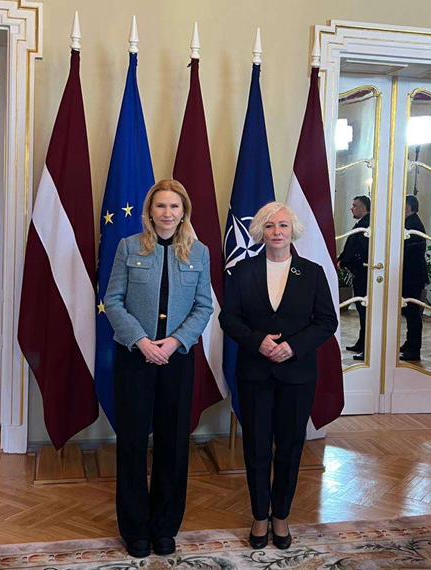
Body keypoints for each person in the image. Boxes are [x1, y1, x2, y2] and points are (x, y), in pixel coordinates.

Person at [104, 179, 213, 559]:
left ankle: (165, 527)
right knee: (133, 442)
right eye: (161, 206)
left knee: (173, 442)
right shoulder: (129, 247)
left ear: (184, 213)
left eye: (174, 206)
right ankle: (135, 529)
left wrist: (175, 342)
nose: (167, 213)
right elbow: (113, 300)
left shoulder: (199, 252)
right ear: (150, 211)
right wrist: (141, 341)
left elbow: (204, 306)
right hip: (135, 357)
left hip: (176, 358)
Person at [219, 202, 338, 550]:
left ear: (293, 231)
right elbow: (228, 319)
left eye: (283, 225)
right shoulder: (242, 271)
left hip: (297, 375)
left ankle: (281, 515)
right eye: (270, 226)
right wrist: (257, 341)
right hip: (254, 372)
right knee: (257, 448)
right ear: (260, 231)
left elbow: (327, 322)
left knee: (289, 447)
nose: (277, 232)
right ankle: (260, 516)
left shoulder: (312, 272)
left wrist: (293, 347)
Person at [337, 196, 370, 360]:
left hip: (364, 274)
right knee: (361, 310)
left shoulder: (367, 225)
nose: (352, 208)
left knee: (365, 311)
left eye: (355, 206)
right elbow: (350, 246)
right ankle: (361, 342)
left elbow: (359, 250)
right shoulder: (361, 223)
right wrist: (340, 259)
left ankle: (367, 346)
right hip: (359, 274)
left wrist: (343, 262)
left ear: (363, 208)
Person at [400, 194, 429, 362]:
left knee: (412, 314)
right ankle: (409, 343)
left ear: (407, 208)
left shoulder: (412, 225)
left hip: (412, 276)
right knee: (409, 312)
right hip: (411, 275)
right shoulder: (411, 222)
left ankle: (413, 349)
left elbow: (407, 253)